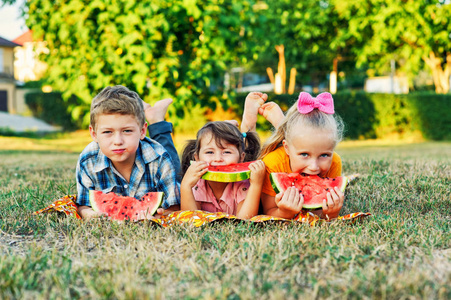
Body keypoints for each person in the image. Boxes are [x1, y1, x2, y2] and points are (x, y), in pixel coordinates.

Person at [76, 85, 181, 220]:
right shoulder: (88, 160)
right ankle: (149, 114)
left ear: (143, 131)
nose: (118, 141)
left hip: (159, 160)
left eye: (127, 131)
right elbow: (83, 205)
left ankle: (156, 119)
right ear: (94, 134)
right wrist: (90, 214)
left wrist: (160, 214)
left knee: (179, 175)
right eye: (108, 132)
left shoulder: (159, 157)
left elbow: (174, 207)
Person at [245, 91, 345, 220]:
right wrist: (284, 213)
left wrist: (331, 213)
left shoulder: (335, 162)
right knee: (247, 151)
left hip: (292, 144)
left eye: (324, 155)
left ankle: (281, 123)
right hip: (260, 159)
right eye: (304, 154)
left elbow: (320, 214)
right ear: (286, 148)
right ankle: (249, 123)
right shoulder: (272, 163)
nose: (314, 167)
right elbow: (267, 211)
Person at [180, 121, 265, 219]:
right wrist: (185, 186)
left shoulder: (242, 185)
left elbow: (244, 221)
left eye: (227, 152)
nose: (218, 159)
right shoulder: (196, 185)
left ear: (241, 157)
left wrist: (256, 185)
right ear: (197, 157)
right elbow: (191, 221)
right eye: (210, 152)